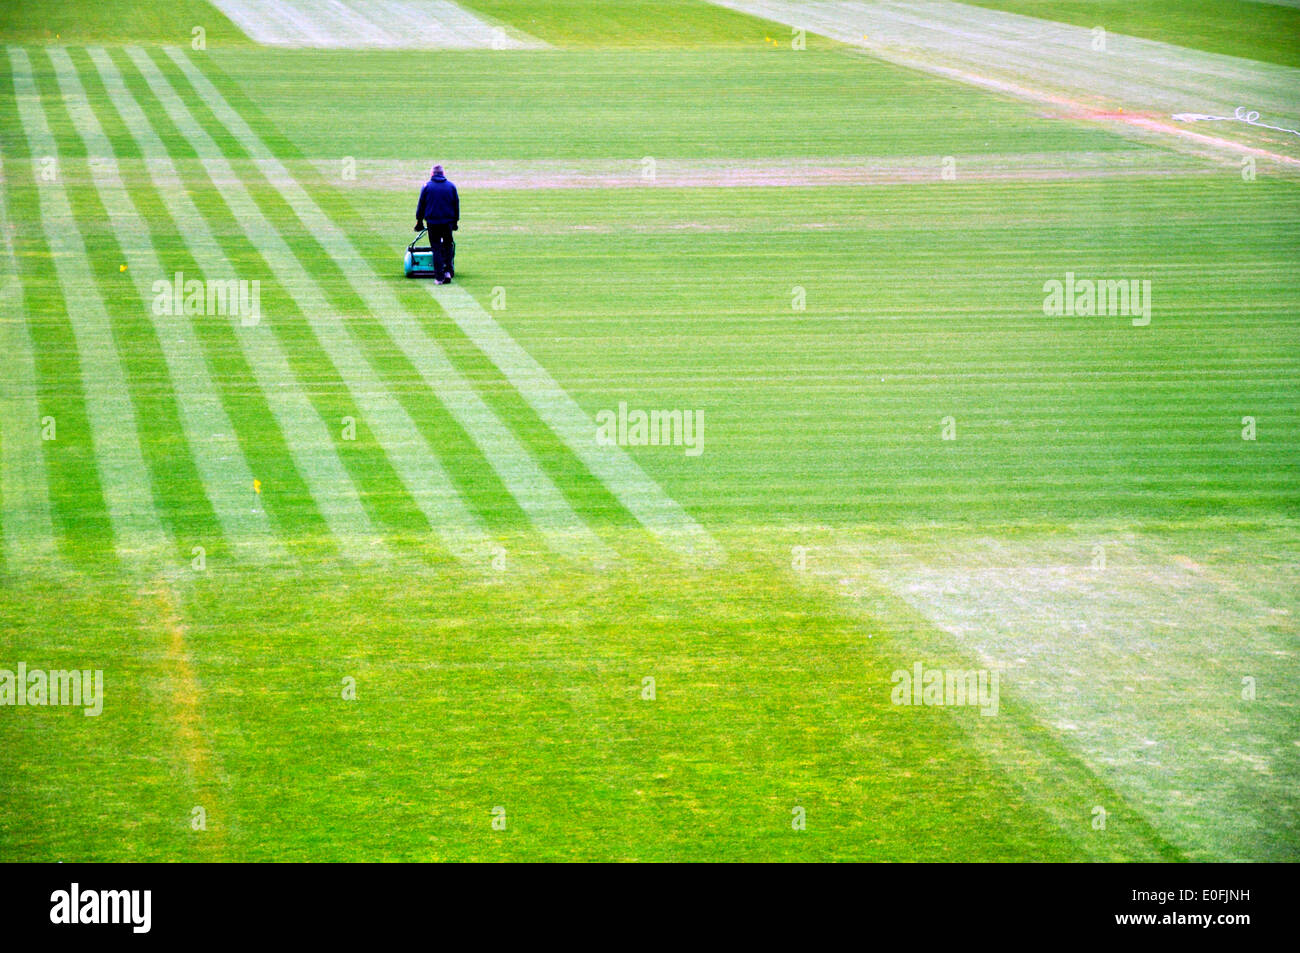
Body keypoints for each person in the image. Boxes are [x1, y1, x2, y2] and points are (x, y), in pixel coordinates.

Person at [415, 164, 459, 284]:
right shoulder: (451, 186)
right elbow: (456, 205)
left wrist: (419, 221)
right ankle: (448, 272)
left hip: (432, 222)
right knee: (448, 246)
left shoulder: (427, 187)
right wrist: (455, 222)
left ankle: (439, 277)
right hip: (448, 222)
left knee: (436, 248)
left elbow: (421, 206)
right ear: (443, 174)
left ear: (432, 174)